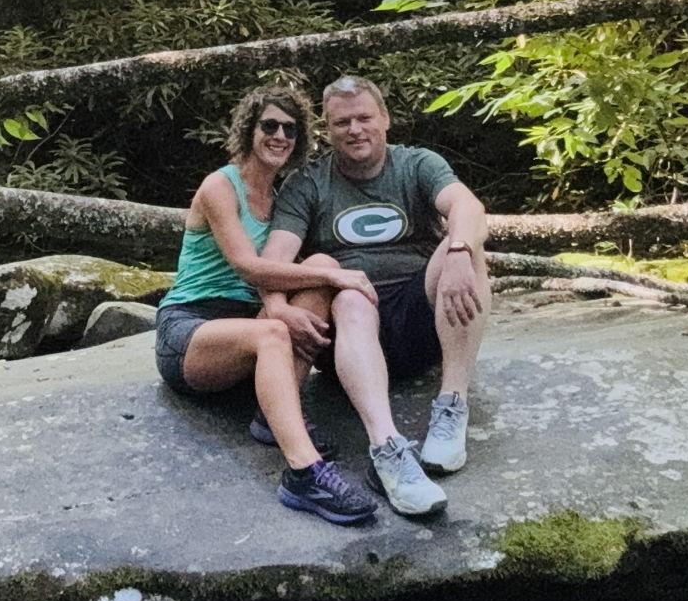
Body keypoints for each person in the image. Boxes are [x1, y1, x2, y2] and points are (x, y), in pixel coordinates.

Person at [259, 74, 489, 520]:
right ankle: (386, 447)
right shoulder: (308, 183)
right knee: (344, 287)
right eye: (342, 122)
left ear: (384, 118)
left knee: (466, 247)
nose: (355, 129)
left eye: (364, 117)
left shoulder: (416, 164)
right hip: (347, 334)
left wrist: (460, 249)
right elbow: (275, 258)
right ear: (328, 129)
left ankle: (452, 404)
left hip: (418, 317)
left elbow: (469, 207)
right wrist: (276, 310)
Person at [154, 83, 380, 526]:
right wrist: (328, 279)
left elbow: (286, 275)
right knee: (291, 310)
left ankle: (269, 415)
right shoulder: (220, 187)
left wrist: (321, 276)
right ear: (250, 129)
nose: (280, 136)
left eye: (290, 130)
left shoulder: (280, 199)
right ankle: (303, 472)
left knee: (318, 261)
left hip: (250, 332)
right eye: (269, 126)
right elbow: (248, 267)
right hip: (191, 330)